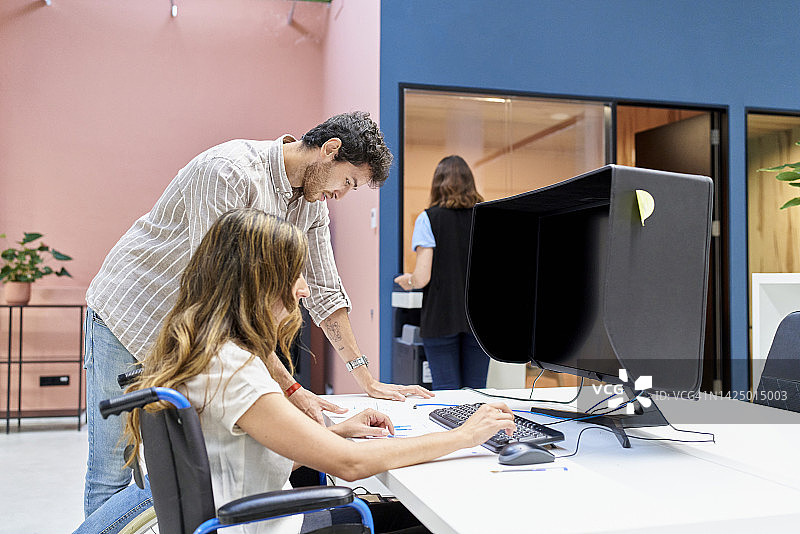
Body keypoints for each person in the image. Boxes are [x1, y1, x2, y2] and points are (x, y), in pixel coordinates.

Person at [80, 112, 432, 526]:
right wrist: (293, 388)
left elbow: (325, 291)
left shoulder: (311, 203)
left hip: (197, 332)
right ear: (330, 150)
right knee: (114, 471)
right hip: (134, 311)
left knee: (195, 456)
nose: (342, 194)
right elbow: (223, 294)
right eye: (348, 182)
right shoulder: (228, 172)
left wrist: (365, 377)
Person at [78, 209, 515, 534]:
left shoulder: (200, 349)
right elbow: (349, 466)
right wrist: (464, 435)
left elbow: (247, 449)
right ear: (258, 280)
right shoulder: (234, 368)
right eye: (295, 274)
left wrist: (338, 430)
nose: (304, 287)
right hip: (266, 525)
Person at [394, 155, 489, 390]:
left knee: (447, 391)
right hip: (480, 319)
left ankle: (453, 428)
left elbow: (422, 276)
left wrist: (408, 280)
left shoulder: (428, 218)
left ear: (437, 184)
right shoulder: (486, 216)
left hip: (441, 316)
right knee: (476, 391)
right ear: (470, 182)